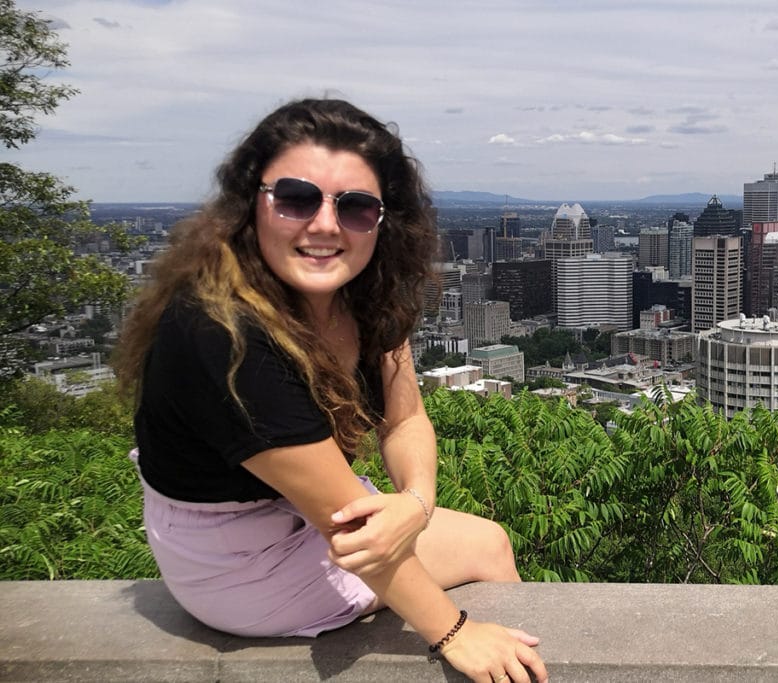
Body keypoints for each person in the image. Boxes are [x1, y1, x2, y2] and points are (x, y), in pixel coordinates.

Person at [115, 98, 547, 683]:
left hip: (309, 510)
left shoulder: (367, 296)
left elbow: (405, 418)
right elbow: (351, 530)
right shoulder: (223, 335)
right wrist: (456, 633)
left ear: (383, 219)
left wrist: (414, 502)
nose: (323, 224)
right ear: (252, 205)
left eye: (355, 206)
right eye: (295, 198)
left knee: (477, 538)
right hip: (239, 562)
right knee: (486, 547)